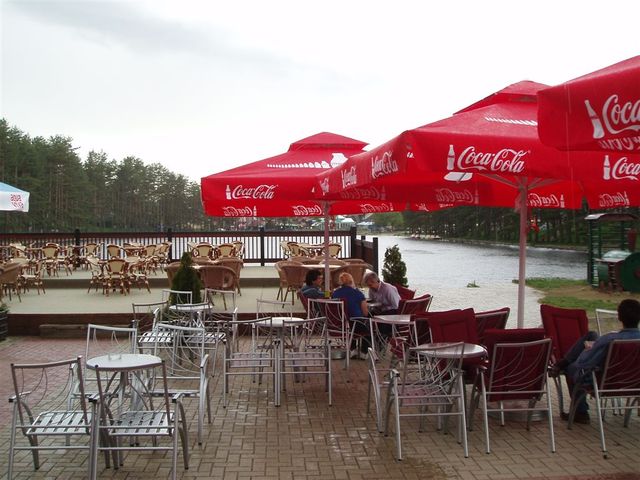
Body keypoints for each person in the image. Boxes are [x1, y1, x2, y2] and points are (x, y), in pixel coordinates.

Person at [551, 298, 640, 424]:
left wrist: (588, 350)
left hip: (604, 383)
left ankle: (580, 412)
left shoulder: (610, 340)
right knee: (592, 334)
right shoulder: (611, 340)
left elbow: (583, 363)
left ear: (619, 317)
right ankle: (564, 362)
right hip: (635, 383)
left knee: (571, 367)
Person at [331, 272, 370, 359]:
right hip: (355, 324)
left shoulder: (335, 294)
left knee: (349, 323)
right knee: (369, 327)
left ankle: (352, 349)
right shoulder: (358, 293)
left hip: (339, 324)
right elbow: (365, 313)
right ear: (351, 281)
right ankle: (364, 352)